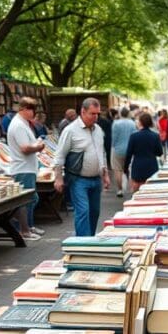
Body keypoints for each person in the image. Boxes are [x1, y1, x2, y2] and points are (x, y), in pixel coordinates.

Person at [53, 98, 110, 237]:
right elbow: (59, 156)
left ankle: (89, 240)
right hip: (78, 179)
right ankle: (83, 244)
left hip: (96, 179)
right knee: (83, 211)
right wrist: (58, 178)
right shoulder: (70, 130)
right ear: (83, 112)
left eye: (98, 114)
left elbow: (101, 152)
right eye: (92, 114)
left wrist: (105, 174)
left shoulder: (98, 130)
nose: (96, 117)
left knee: (94, 212)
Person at [7, 97, 46, 240]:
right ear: (23, 109)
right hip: (23, 168)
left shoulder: (23, 124)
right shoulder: (18, 125)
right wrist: (39, 146)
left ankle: (28, 226)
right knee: (27, 200)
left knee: (31, 199)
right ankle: (24, 230)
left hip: (27, 167)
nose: (33, 113)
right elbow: (25, 148)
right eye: (31, 110)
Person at [125, 112, 164, 193]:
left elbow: (129, 154)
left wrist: (125, 168)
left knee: (137, 192)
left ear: (140, 122)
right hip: (151, 166)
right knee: (151, 192)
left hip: (138, 166)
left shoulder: (134, 136)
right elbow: (160, 152)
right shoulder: (155, 136)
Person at [110, 107, 136, 198]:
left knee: (118, 170)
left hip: (118, 149)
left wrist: (113, 147)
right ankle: (132, 188)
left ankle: (120, 190)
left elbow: (114, 138)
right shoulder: (132, 123)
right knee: (130, 168)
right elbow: (134, 135)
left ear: (120, 114)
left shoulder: (115, 123)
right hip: (130, 149)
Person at [97, 109, 113, 177]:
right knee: (106, 152)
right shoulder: (106, 121)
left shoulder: (94, 122)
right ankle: (108, 165)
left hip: (99, 140)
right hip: (106, 139)